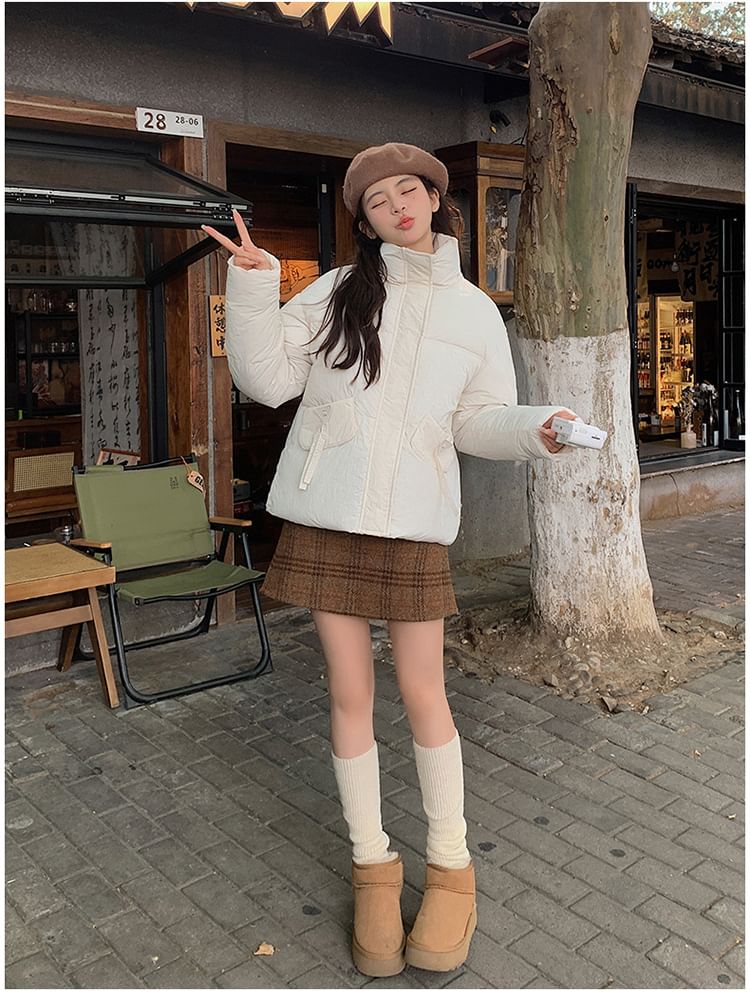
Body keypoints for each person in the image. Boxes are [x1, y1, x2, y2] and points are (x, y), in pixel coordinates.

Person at [202, 141, 580, 978]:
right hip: (330, 514)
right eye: (377, 201)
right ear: (365, 221)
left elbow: (477, 420)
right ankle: (372, 864)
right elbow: (267, 380)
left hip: (412, 522)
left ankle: (451, 866)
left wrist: (538, 428)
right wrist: (255, 285)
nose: (397, 206)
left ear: (436, 199)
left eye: (409, 190)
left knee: (423, 692)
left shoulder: (474, 312)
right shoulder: (338, 290)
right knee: (349, 692)